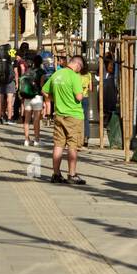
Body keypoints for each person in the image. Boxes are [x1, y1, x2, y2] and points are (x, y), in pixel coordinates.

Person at [42, 55, 86, 185]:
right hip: (74, 115)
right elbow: (78, 97)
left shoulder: (57, 74)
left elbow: (44, 91)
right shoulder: (74, 77)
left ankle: (56, 174)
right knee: (73, 145)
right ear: (77, 65)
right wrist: (82, 92)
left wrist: (56, 99)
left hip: (59, 114)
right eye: (80, 68)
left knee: (58, 145)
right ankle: (72, 174)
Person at [20, 53, 46, 148]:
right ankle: (37, 140)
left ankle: (26, 140)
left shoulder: (28, 71)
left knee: (26, 119)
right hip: (37, 97)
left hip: (27, 97)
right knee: (36, 120)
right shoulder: (42, 72)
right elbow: (42, 86)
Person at [0, 44, 15, 125]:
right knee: (9, 100)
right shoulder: (11, 52)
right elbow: (14, 66)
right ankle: (9, 118)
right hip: (10, 79)